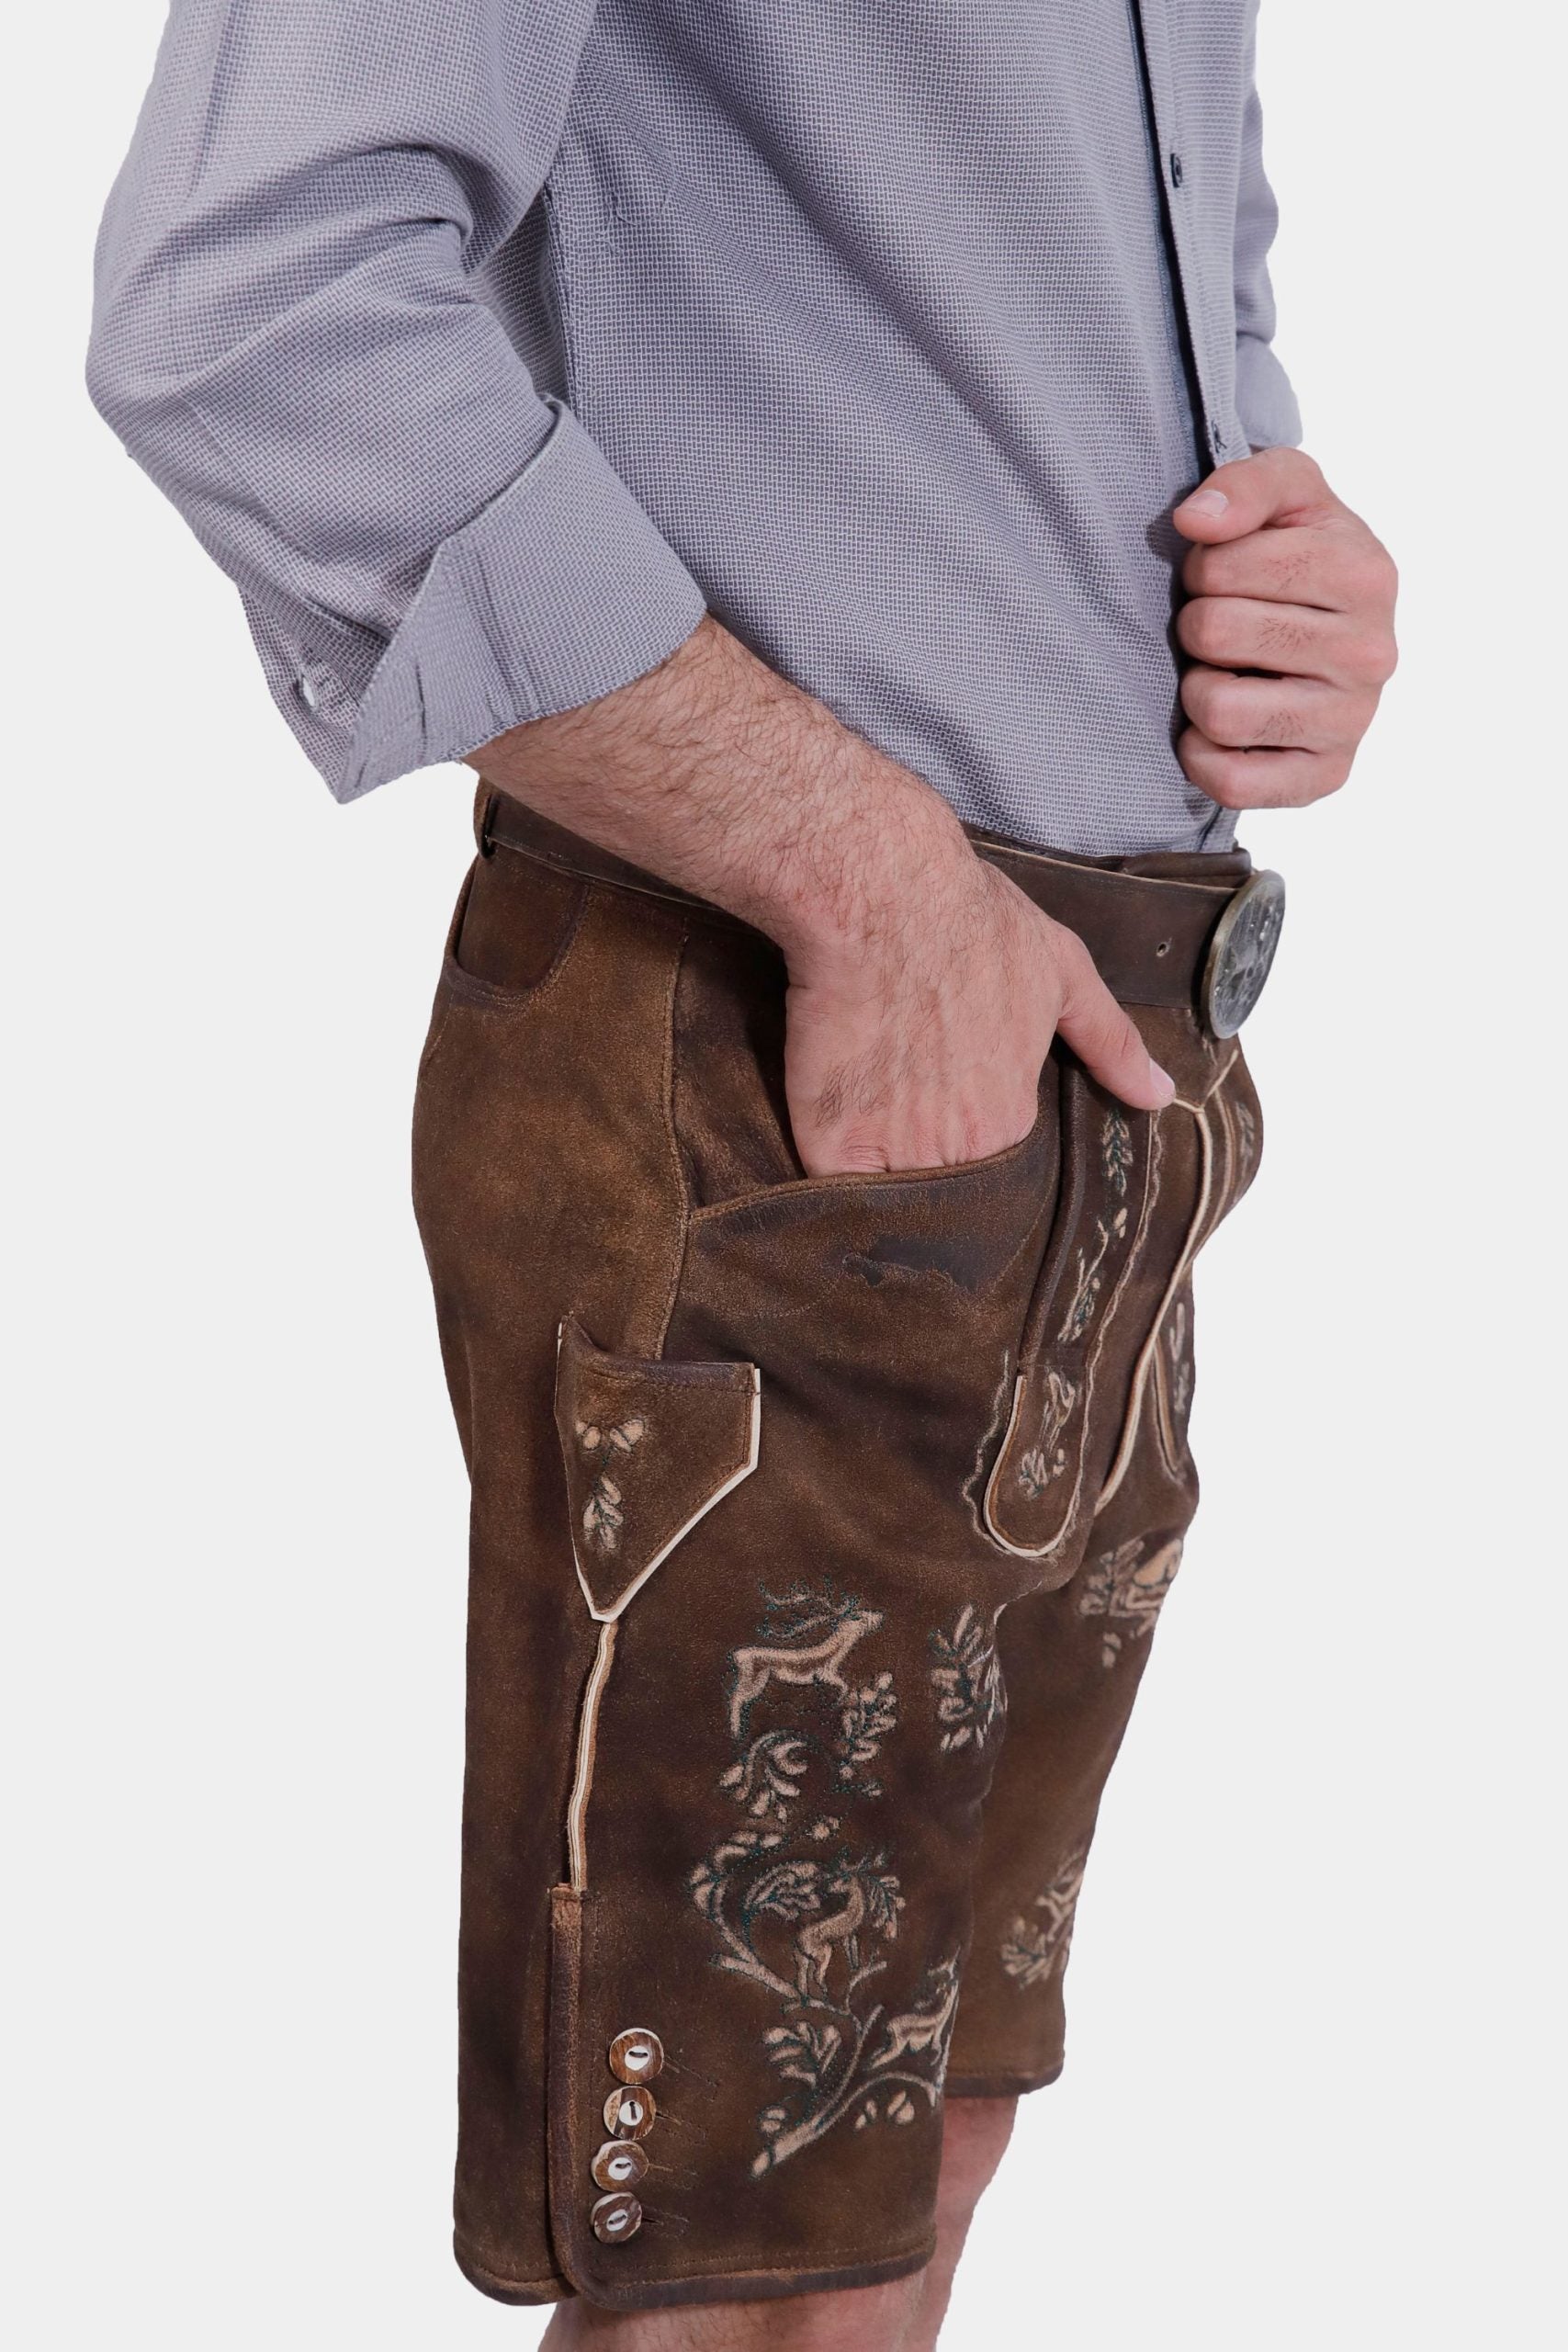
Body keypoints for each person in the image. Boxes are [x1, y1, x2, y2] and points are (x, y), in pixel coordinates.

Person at [88, 4, 1396, 2342]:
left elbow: (1121, 268)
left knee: (918, 2147)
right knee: (738, 2241)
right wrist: (853, 869)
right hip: (784, 1061)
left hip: (1111, 1068)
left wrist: (1278, 550)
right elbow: (251, 307)